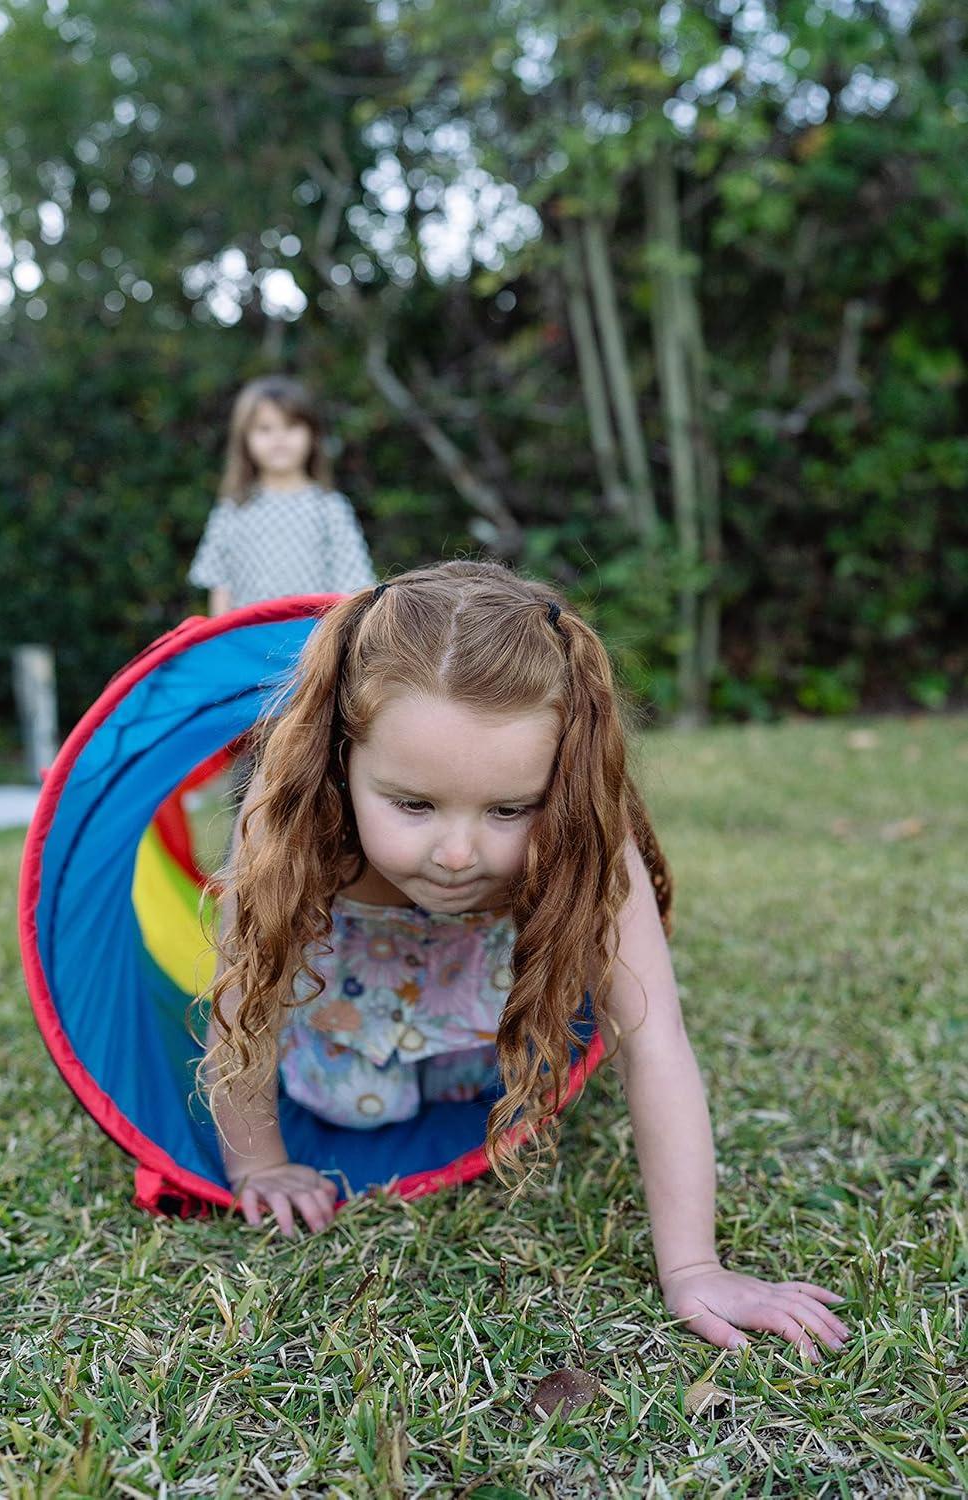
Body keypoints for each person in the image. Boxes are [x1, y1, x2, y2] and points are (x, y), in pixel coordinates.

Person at [204, 560, 851, 1359]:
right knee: (352, 1104)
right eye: (412, 804)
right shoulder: (290, 824)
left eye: (510, 809)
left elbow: (654, 1040)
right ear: (340, 756)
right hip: (345, 1051)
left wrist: (693, 1266)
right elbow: (247, 1001)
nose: (454, 852)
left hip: (494, 1051)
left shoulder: (582, 835)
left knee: (523, 1067)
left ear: (564, 781)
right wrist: (259, 1165)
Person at [188, 374, 376, 613]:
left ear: (312, 434)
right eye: (265, 428)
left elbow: (353, 587)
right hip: (249, 641)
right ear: (245, 439)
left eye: (291, 426)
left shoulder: (329, 507)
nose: (279, 438)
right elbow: (221, 588)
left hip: (312, 640)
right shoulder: (233, 508)